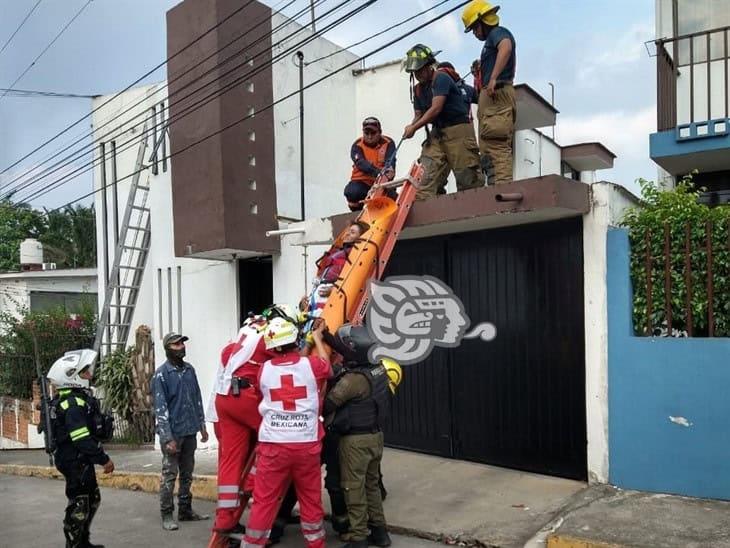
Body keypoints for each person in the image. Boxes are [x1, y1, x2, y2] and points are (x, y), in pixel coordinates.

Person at [242, 318, 332, 548]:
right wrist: (318, 339)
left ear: (272, 346)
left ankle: (252, 543)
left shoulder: (263, 370)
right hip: (306, 445)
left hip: (273, 446)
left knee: (264, 501)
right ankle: (316, 544)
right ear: (295, 340)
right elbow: (326, 365)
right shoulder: (311, 365)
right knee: (310, 500)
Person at [322, 324, 392, 548]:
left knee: (353, 488)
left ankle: (358, 538)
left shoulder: (352, 380)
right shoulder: (378, 369)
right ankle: (380, 534)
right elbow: (351, 351)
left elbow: (328, 404)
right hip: (376, 437)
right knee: (372, 486)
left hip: (355, 442)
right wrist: (327, 336)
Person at [208, 315, 273, 538]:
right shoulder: (264, 341)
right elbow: (291, 357)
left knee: (230, 458)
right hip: (245, 397)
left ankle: (225, 518)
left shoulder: (232, 347)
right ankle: (251, 481)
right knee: (275, 435)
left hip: (224, 400)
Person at [45, 349, 115, 548]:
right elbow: (81, 438)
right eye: (84, 373)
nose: (90, 376)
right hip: (74, 460)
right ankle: (74, 545)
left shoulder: (74, 399)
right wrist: (103, 459)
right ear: (72, 377)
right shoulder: (73, 404)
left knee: (92, 498)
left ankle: (83, 541)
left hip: (78, 459)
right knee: (80, 503)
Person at [402, 44, 484, 199]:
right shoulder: (418, 89)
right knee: (424, 175)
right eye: (415, 71)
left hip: (458, 130)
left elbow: (436, 109)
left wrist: (414, 128)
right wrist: (411, 126)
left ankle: (473, 213)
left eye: (420, 69)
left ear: (428, 65)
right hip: (438, 132)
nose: (418, 74)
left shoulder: (441, 78)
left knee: (468, 178)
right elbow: (419, 114)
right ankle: (426, 214)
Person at [152, 332, 210, 531]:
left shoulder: (189, 370)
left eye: (182, 343)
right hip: (173, 433)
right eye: (176, 344)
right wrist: (167, 438)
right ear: (168, 348)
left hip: (189, 429)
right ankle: (167, 513)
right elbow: (160, 408)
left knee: (187, 474)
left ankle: (185, 510)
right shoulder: (161, 375)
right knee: (169, 474)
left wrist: (202, 425)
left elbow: (197, 397)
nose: (181, 347)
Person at [462, 1, 517, 185]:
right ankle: (496, 189)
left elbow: (506, 47)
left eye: (475, 29)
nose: (475, 33)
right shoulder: (490, 41)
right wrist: (482, 68)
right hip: (492, 98)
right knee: (488, 148)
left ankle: (502, 189)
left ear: (482, 21)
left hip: (498, 93)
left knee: (496, 145)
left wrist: (493, 77)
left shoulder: (498, 33)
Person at [345, 117, 397, 211]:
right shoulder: (357, 145)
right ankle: (357, 210)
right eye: (366, 133)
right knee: (352, 192)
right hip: (361, 183)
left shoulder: (389, 143)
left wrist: (390, 172)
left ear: (380, 132)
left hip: (381, 184)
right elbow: (361, 163)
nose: (369, 136)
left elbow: (391, 162)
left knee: (394, 200)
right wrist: (379, 172)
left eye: (373, 133)